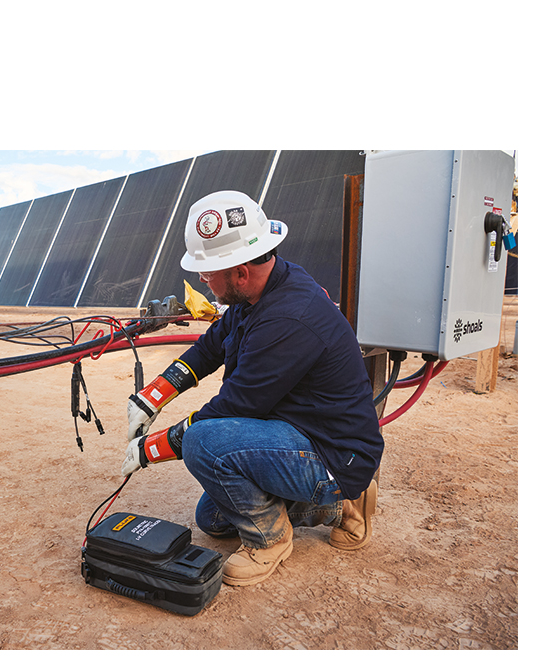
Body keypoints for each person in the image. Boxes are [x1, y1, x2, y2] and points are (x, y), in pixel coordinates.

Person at [121, 190, 384, 586]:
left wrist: (153, 447)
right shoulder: (258, 292)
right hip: (296, 432)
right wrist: (152, 396)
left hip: (331, 453)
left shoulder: (289, 317)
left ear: (240, 272)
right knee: (211, 519)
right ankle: (335, 507)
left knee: (204, 442)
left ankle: (271, 540)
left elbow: (237, 405)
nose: (201, 280)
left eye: (207, 273)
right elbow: (212, 345)